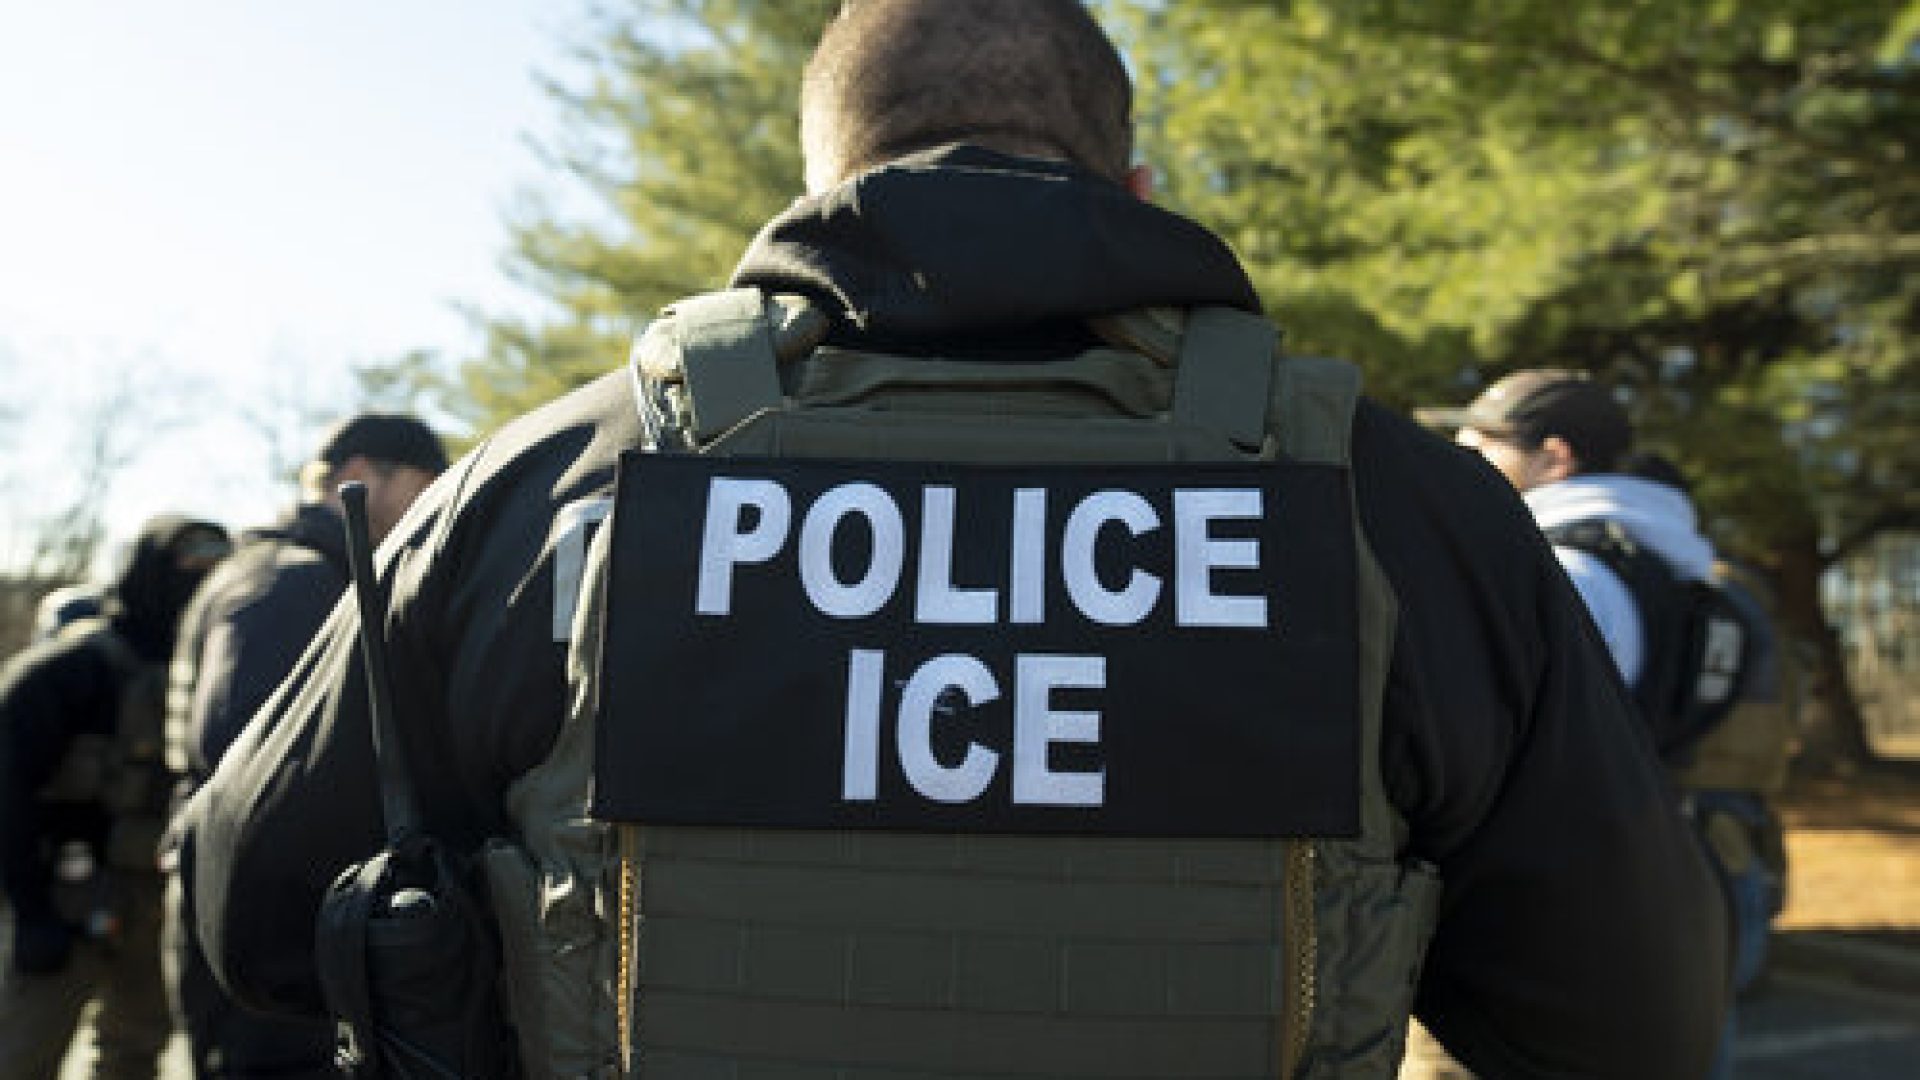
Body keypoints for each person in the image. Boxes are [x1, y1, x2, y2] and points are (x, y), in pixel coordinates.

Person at [181, 3, 1729, 1077]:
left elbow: (254, 916)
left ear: (818, 190)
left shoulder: (550, 479)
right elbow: (1627, 1029)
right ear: (1131, 188)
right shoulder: (1406, 508)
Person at [1424, 371, 1752, 1073]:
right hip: (1671, 884)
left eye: (1482, 446)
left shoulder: (1563, 570)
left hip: (1550, 921)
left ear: (1556, 457)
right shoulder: (1671, 561)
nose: (1460, 458)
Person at [163, 413, 446, 1080]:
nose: (431, 506)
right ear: (356, 477)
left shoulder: (291, 572)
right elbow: (250, 766)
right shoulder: (290, 583)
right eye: (422, 485)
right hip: (264, 922)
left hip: (254, 908)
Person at [1, 514, 230, 1080]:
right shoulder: (67, 670)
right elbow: (6, 790)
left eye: (213, 567)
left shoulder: (212, 671)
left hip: (159, 899)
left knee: (134, 1052)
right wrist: (31, 909)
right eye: (187, 564)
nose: (199, 580)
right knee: (24, 1052)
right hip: (65, 895)